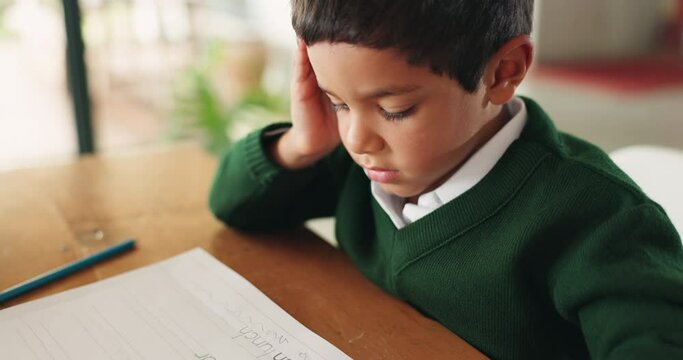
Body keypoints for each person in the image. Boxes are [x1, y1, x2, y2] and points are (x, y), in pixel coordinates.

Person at [209, 0, 683, 358]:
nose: (358, 138)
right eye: (337, 102)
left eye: (396, 110)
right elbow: (235, 206)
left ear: (504, 71)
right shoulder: (355, 160)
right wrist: (301, 145)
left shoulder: (596, 216)